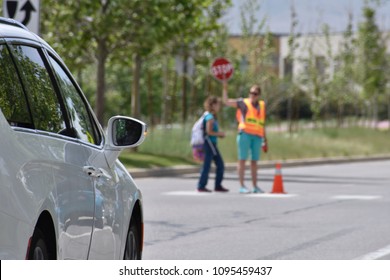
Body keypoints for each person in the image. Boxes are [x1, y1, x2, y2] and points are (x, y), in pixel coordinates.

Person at [222, 80, 267, 194]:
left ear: (259, 95)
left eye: (255, 93)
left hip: (257, 136)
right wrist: (225, 88)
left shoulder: (262, 105)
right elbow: (226, 101)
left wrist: (265, 140)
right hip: (245, 134)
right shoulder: (243, 103)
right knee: (242, 160)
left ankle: (255, 186)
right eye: (251, 93)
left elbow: (262, 123)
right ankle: (242, 185)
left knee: (254, 162)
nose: (252, 95)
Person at [197, 96, 229, 193]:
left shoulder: (211, 117)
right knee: (208, 165)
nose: (219, 107)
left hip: (212, 144)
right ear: (213, 105)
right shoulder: (210, 117)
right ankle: (201, 186)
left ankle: (217, 185)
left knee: (219, 164)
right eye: (218, 104)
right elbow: (209, 132)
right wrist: (220, 134)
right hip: (209, 144)